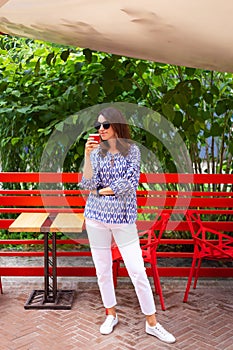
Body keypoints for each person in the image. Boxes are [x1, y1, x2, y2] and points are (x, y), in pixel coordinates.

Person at [80, 107, 176, 344]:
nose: (101, 130)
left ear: (117, 126)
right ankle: (110, 314)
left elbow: (130, 183)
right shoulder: (96, 153)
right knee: (102, 271)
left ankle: (152, 322)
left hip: (123, 219)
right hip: (95, 217)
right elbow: (85, 183)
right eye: (98, 126)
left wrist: (100, 191)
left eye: (105, 125)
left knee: (137, 270)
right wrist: (86, 156)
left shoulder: (132, 151)